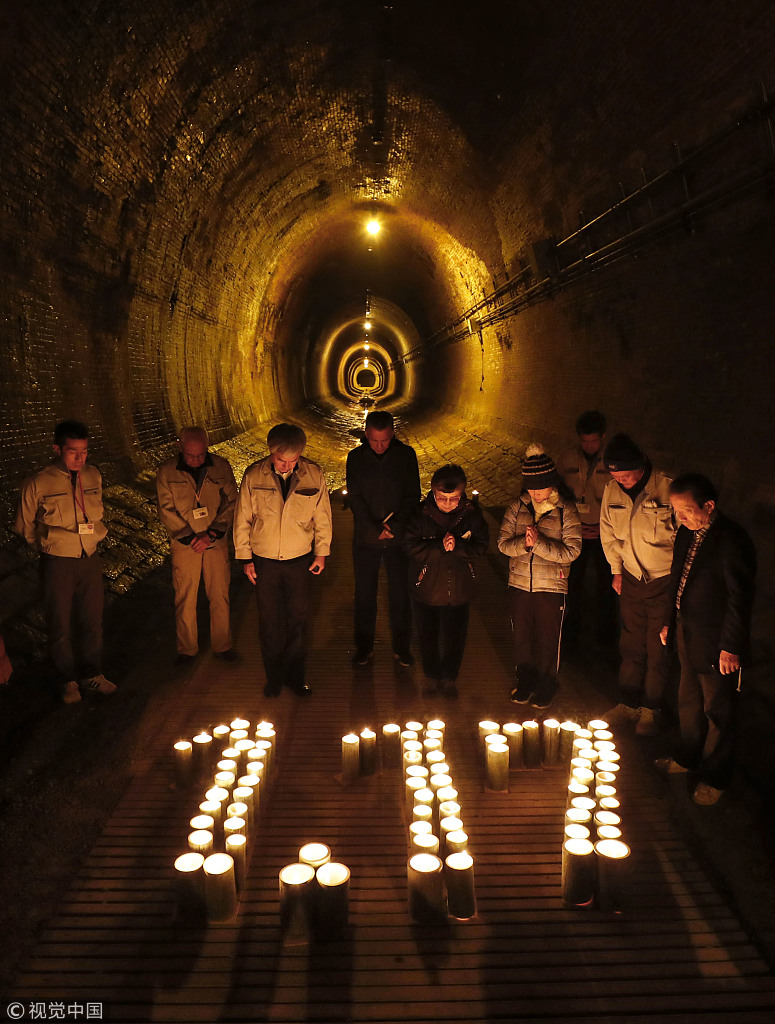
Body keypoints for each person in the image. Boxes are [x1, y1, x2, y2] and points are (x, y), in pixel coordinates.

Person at [656, 474, 756, 805]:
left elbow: (738, 599)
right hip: (687, 630)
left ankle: (716, 775)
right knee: (687, 699)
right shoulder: (688, 533)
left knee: (718, 710)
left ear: (708, 505)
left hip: (716, 642)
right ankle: (687, 756)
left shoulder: (731, 541)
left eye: (685, 510)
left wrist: (731, 646)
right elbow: (678, 581)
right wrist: (671, 621)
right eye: (675, 510)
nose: (679, 518)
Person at [15, 420, 116, 704]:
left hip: (89, 557)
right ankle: (67, 679)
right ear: (57, 449)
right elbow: (25, 525)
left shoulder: (94, 476)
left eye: (84, 451)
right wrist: (49, 546)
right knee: (59, 622)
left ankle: (92, 673)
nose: (79, 458)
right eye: (73, 451)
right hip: (57, 559)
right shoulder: (39, 482)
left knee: (92, 619)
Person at [233, 423, 332, 697]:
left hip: (299, 560)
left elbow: (322, 518)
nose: (287, 465)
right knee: (269, 621)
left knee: (298, 620)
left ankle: (295, 677)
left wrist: (321, 553)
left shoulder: (313, 475)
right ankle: (273, 677)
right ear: (270, 453)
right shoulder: (254, 476)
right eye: (281, 460)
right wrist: (245, 559)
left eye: (293, 460)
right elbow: (242, 519)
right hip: (264, 561)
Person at [599, 434, 676, 734]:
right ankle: (628, 703)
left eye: (626, 475)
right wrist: (616, 570)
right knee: (630, 642)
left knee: (657, 645)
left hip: (662, 580)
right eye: (616, 476)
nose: (622, 481)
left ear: (641, 466)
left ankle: (651, 708)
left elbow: (683, 537)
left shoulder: (668, 487)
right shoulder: (611, 490)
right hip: (630, 578)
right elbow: (609, 532)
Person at [498, 445, 582, 709]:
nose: (534, 493)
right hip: (520, 583)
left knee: (548, 636)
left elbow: (572, 551)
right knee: (522, 634)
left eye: (540, 487)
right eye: (531, 487)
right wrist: (524, 544)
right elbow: (502, 544)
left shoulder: (565, 510)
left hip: (551, 586)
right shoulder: (517, 507)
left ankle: (548, 683)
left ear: (551, 484)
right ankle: (525, 680)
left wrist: (539, 545)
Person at [156, 426, 238, 665]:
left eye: (201, 455)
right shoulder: (166, 472)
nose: (196, 460)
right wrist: (190, 537)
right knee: (185, 596)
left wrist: (212, 533)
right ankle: (187, 649)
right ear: (179, 447)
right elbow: (165, 508)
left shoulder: (221, 466)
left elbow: (232, 501)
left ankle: (223, 645)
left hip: (214, 541)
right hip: (185, 545)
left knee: (220, 593)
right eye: (191, 455)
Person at [405, 464, 488, 698]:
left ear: (462, 495)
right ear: (432, 493)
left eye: (454, 498)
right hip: (427, 589)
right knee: (427, 634)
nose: (448, 504)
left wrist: (459, 547)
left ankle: (450, 677)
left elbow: (481, 545)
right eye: (442, 498)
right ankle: (432, 675)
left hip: (459, 590)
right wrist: (438, 548)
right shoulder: (421, 515)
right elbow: (411, 547)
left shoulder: (471, 516)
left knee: (455, 636)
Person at [346, 410, 420, 666]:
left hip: (398, 539)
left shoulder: (406, 456)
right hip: (366, 539)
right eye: (374, 440)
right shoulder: (355, 458)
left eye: (385, 440)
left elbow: (413, 496)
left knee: (400, 594)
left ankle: (402, 647)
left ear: (393, 435)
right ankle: (364, 647)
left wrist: (395, 526)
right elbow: (354, 497)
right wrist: (372, 527)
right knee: (364, 594)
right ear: (366, 435)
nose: (379, 446)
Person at [557, 410, 616, 650]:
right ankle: (571, 636)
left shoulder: (613, 459)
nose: (589, 446)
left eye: (593, 441)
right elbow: (558, 494)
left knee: (607, 586)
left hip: (604, 535)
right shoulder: (567, 459)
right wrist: (573, 526)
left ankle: (606, 639)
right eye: (584, 441)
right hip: (576, 532)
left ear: (603, 437)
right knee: (573, 586)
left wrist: (603, 530)